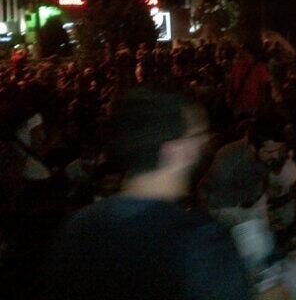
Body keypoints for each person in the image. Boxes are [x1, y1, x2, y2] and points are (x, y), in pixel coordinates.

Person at [41, 88, 250, 300]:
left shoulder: (78, 227)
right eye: (198, 135)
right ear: (176, 150)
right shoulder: (199, 241)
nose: (205, 141)